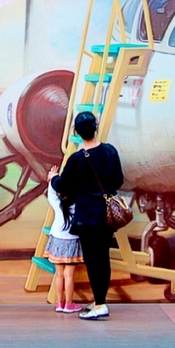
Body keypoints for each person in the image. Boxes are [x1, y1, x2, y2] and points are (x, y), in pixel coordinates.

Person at [48, 111, 124, 320]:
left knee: (93, 260)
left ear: (76, 132)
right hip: (107, 215)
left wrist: (53, 178)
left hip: (87, 216)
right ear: (96, 127)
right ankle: (100, 299)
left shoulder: (77, 159)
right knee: (103, 258)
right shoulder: (110, 151)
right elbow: (118, 180)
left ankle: (100, 305)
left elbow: (63, 186)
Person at [44, 180, 84, 314]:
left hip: (57, 241)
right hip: (72, 242)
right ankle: (69, 304)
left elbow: (51, 194)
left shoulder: (58, 204)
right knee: (69, 276)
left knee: (59, 275)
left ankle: (59, 304)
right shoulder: (79, 206)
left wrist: (52, 179)